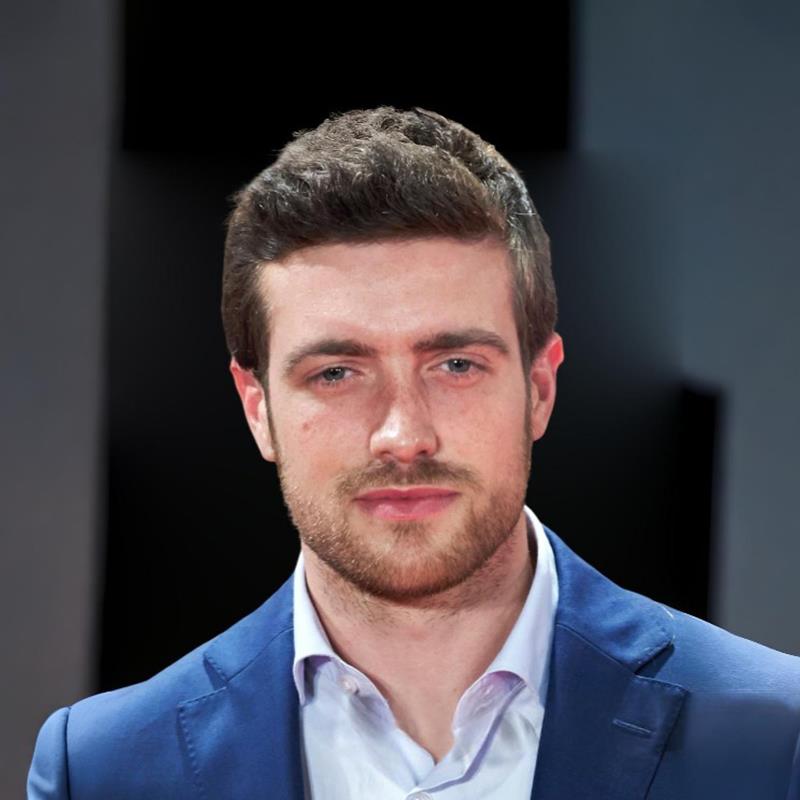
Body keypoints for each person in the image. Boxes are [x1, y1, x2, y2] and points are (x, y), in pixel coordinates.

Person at [28, 106, 800, 799]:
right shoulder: (102, 773)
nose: (402, 436)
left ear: (539, 388)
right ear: (257, 407)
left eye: (455, 365)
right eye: (336, 373)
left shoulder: (779, 740)